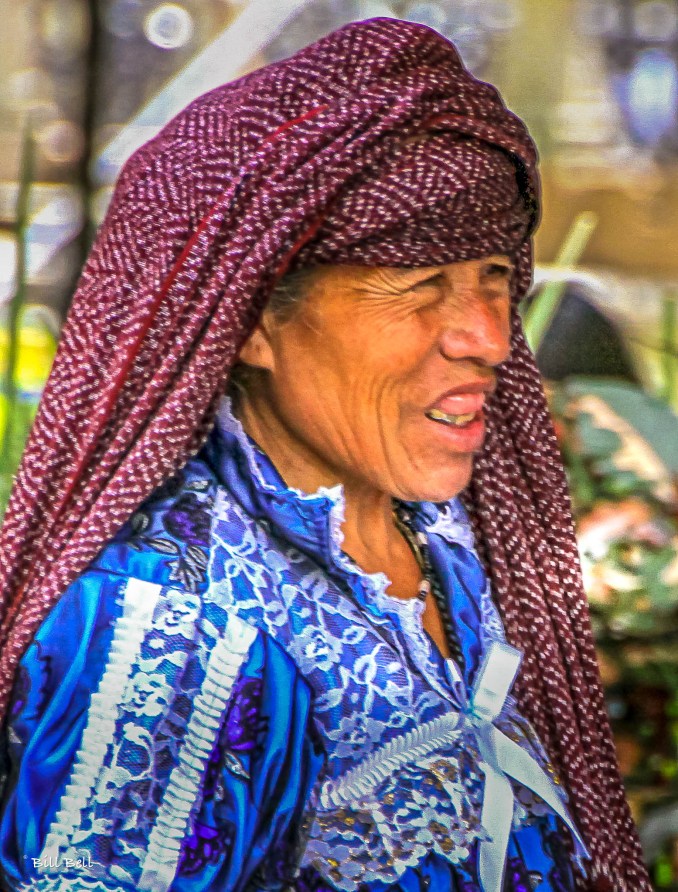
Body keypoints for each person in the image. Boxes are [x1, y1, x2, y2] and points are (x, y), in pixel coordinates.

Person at [0, 16, 650, 892]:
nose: (492, 337)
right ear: (257, 319)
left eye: (497, 277)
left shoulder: (455, 538)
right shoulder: (182, 641)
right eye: (421, 287)